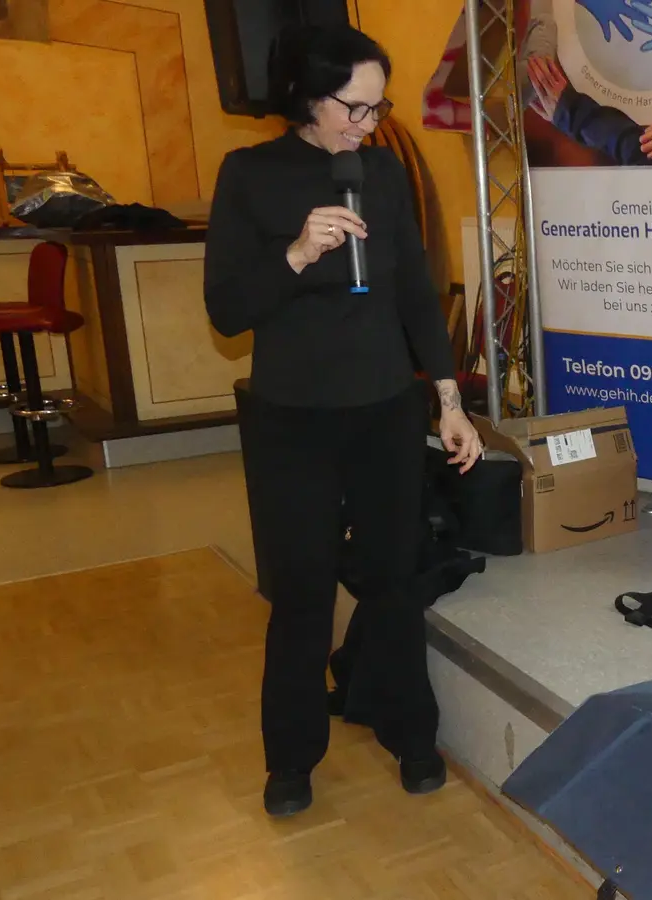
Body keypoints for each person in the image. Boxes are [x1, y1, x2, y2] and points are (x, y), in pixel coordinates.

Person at [203, 24, 482, 817]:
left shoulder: (382, 172)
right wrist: (293, 254)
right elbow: (226, 310)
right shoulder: (250, 175)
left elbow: (417, 299)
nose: (368, 122)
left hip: (386, 412)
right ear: (305, 96)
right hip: (293, 418)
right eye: (354, 107)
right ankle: (291, 759)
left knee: (395, 581)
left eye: (377, 106)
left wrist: (449, 403)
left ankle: (412, 734)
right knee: (300, 595)